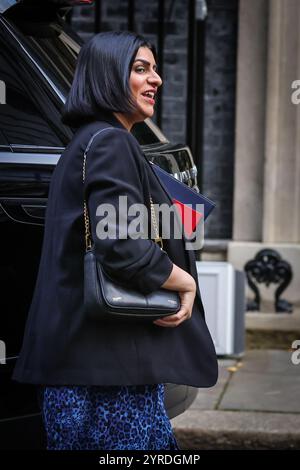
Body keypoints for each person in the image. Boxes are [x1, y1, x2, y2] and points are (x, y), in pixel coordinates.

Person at [13, 31, 218, 450]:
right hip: (108, 378)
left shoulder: (87, 142)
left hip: (89, 366)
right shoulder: (112, 144)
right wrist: (184, 281)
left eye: (155, 68)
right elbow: (122, 246)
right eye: (141, 69)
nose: (156, 78)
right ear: (107, 77)